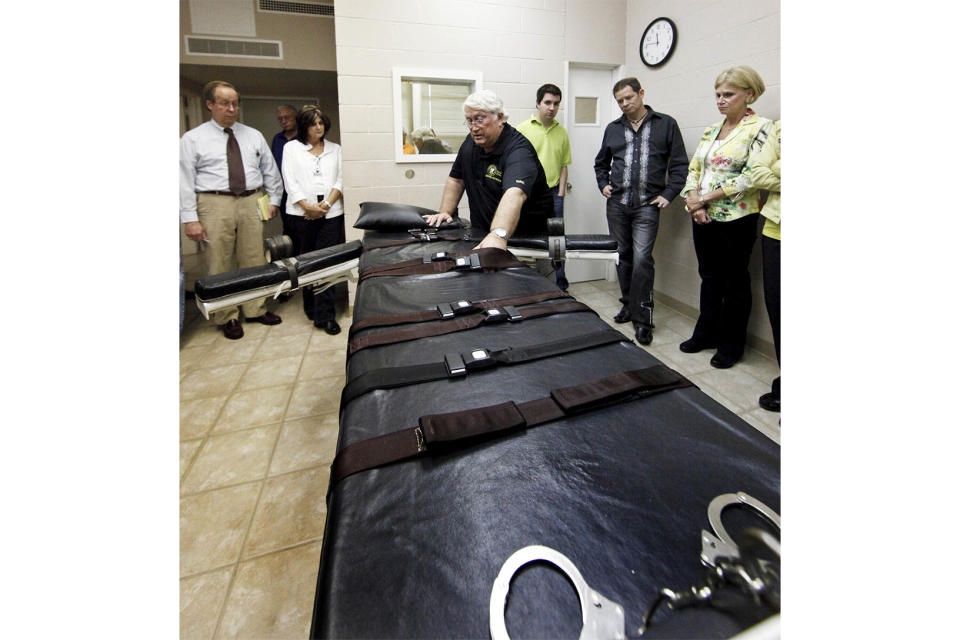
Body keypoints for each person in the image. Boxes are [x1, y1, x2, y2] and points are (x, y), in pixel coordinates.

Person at [680, 66, 772, 369]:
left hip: (737, 218)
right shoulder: (711, 129)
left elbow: (751, 178)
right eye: (718, 94)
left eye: (728, 94)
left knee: (735, 282)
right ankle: (706, 333)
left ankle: (732, 345)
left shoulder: (762, 128)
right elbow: (695, 169)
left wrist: (706, 198)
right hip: (702, 215)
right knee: (709, 278)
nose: (721, 100)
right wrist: (696, 205)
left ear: (749, 94)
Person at [180, 80, 283, 340]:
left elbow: (269, 171)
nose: (231, 108)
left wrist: (274, 200)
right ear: (210, 105)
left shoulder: (253, 135)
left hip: (251, 200)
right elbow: (183, 181)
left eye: (235, 103)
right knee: (219, 261)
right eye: (225, 103)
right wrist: (190, 219)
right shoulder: (193, 139)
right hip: (214, 203)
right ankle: (226, 315)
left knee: (255, 258)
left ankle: (255, 308)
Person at [594, 77, 688, 345]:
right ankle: (628, 305)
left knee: (642, 259)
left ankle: (643, 318)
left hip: (648, 205)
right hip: (618, 205)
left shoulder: (665, 124)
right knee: (622, 257)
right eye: (620, 100)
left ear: (641, 94)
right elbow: (600, 163)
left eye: (628, 98)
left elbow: (680, 165)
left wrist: (669, 193)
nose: (624, 104)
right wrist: (603, 185)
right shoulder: (613, 128)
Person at [422, 89, 553, 249]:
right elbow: (456, 179)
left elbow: (515, 193)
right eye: (469, 120)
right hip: (483, 236)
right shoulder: (470, 144)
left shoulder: (519, 151)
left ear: (499, 117)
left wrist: (498, 235)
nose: (474, 127)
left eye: (479, 119)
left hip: (526, 243)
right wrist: (445, 212)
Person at [281, 106, 345, 335]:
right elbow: (290, 181)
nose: (319, 127)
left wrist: (325, 205)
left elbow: (341, 180)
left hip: (331, 214)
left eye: (321, 123)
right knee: (306, 262)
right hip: (302, 215)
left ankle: (325, 315)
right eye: (313, 123)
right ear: (304, 126)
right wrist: (307, 206)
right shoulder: (291, 149)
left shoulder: (335, 149)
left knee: (326, 263)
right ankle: (310, 305)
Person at [517, 83, 572, 290]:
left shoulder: (562, 133)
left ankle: (560, 285)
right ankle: (529, 286)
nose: (552, 107)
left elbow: (564, 165)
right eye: (547, 102)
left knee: (557, 243)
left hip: (553, 194)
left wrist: (560, 194)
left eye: (556, 103)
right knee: (527, 239)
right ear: (538, 103)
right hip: (528, 195)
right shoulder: (522, 129)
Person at [746, 119, 781, 411]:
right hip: (775, 229)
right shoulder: (781, 128)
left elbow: (767, 171)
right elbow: (758, 172)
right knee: (779, 310)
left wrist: (778, 167)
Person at [271, 105, 299, 248]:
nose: (283, 121)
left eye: (287, 117)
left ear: (295, 118)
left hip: (301, 192)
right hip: (283, 193)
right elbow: (272, 166)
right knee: (288, 228)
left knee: (302, 228)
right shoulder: (277, 139)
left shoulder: (303, 138)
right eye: (280, 118)